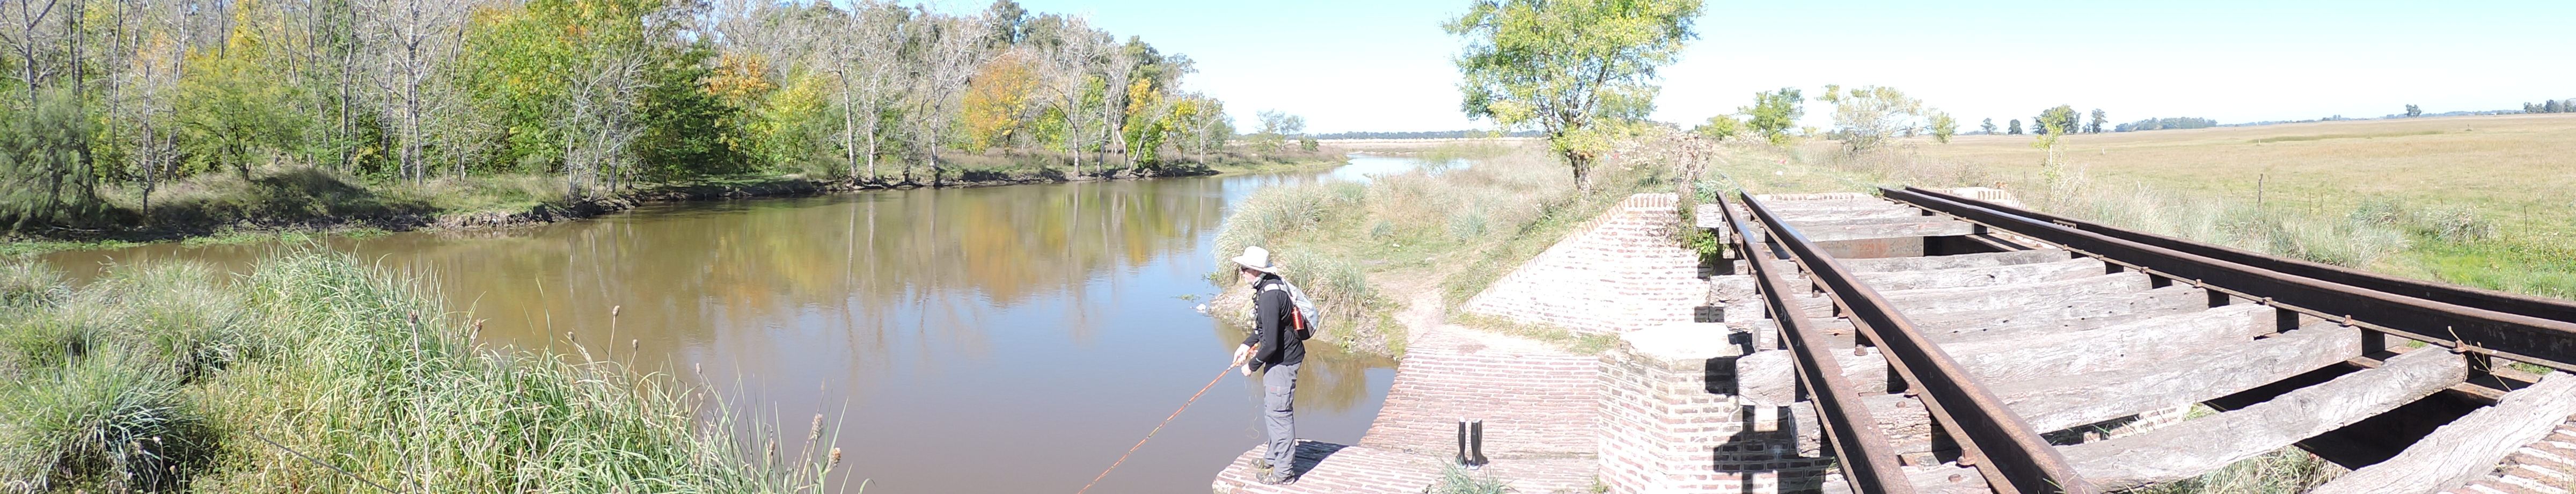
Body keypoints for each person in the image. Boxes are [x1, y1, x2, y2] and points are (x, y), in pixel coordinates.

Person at [1228, 245, 1303, 485]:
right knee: (1273, 411)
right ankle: (1272, 458)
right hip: (1279, 358)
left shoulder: (1270, 296)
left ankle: (1284, 474)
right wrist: (1246, 344)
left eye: (1244, 269)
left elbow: (1270, 344)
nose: (1241, 273)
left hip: (1283, 361)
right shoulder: (1271, 284)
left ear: (1255, 271)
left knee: (1279, 415)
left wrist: (1252, 365)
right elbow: (1266, 328)